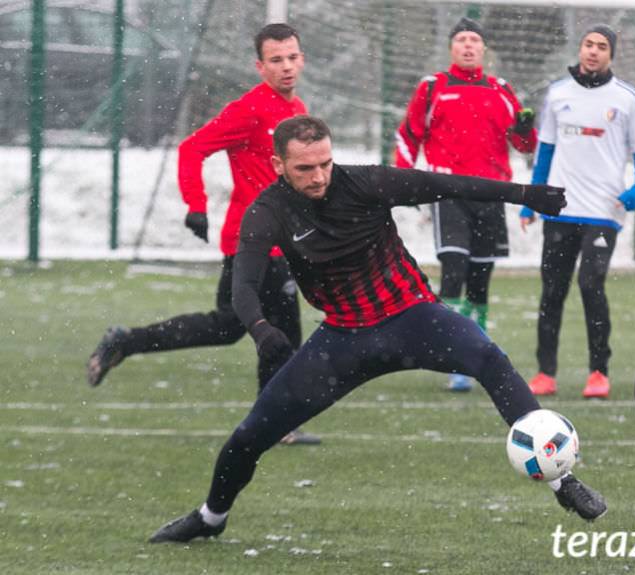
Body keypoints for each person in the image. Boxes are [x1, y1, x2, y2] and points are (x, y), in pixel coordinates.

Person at [148, 115, 607, 544]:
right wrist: (262, 329)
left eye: (325, 163)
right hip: (344, 340)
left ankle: (562, 480)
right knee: (249, 436)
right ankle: (211, 517)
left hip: (415, 319)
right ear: (278, 164)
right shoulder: (266, 212)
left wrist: (525, 194)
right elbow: (243, 287)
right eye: (305, 168)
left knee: (489, 357)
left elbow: (442, 183)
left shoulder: (364, 182)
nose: (319, 176)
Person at [86, 23, 319, 445]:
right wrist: (195, 203)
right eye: (276, 60)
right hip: (252, 239)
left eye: (292, 57)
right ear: (260, 65)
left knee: (236, 326)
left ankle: (128, 341)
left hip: (279, 239)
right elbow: (192, 147)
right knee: (274, 331)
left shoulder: (296, 108)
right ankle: (273, 422)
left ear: (302, 59)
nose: (286, 66)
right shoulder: (250, 109)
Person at [394, 17, 538, 391]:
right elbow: (410, 133)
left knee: (480, 281)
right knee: (454, 269)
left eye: (475, 39)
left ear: (484, 49)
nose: (469, 45)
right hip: (449, 191)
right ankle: (452, 351)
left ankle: (476, 352)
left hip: (490, 194)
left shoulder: (501, 89)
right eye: (462, 39)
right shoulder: (433, 87)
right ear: (451, 48)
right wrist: (401, 181)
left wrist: (525, 129)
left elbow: (524, 145)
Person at [520, 24, 635, 399]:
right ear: (580, 50)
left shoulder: (627, 98)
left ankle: (599, 372)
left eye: (602, 46)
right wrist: (533, 198)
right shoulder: (558, 94)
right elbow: (545, 149)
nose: (593, 51)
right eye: (588, 44)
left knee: (591, 284)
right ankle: (545, 373)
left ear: (612, 54)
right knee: (552, 291)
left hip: (602, 210)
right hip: (560, 209)